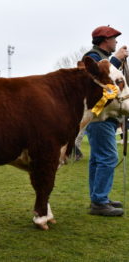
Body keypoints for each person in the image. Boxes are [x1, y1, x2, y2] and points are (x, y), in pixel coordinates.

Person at [83, 25, 128, 216]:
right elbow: (100, 79)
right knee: (108, 157)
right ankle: (100, 201)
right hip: (99, 116)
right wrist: (116, 60)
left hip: (102, 117)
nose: (116, 42)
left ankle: (99, 198)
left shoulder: (97, 57)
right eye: (113, 39)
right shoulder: (93, 57)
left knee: (98, 159)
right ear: (105, 40)